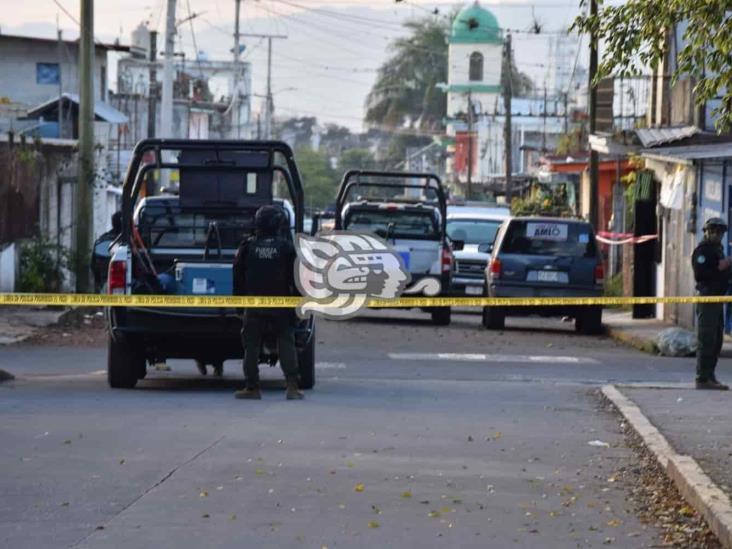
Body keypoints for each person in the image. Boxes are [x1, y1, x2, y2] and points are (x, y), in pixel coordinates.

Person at [232, 205, 304, 400]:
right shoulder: (286, 248)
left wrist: (239, 306)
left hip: (253, 305)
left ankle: (252, 388)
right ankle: (291, 387)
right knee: (286, 342)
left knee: (251, 346)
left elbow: (237, 277)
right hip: (281, 305)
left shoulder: (247, 247)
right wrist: (298, 307)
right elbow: (296, 279)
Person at [691, 217, 730, 390]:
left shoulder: (718, 250)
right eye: (713, 231)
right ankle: (702, 377)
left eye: (719, 232)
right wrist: (719, 267)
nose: (716, 234)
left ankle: (710, 376)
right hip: (707, 298)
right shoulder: (703, 251)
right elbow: (700, 274)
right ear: (707, 232)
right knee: (706, 339)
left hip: (718, 298)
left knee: (716, 340)